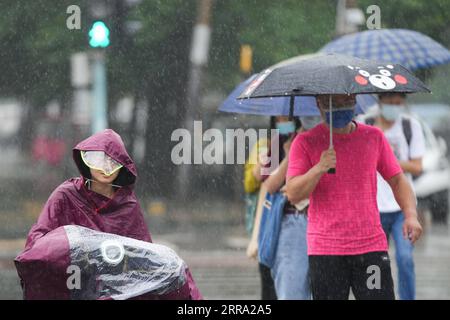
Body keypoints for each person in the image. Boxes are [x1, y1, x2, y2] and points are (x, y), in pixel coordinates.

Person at [22, 129, 202, 300]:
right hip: (73, 283)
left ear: (121, 166)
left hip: (115, 290)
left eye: (112, 162)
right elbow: (39, 241)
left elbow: (142, 256)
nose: (105, 168)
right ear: (86, 161)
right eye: (98, 160)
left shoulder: (127, 204)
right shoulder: (66, 195)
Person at [286, 94, 423, 300]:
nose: (341, 108)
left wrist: (410, 215)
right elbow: (293, 193)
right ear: (319, 104)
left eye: (346, 102)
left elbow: (397, 180)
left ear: (355, 101)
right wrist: (319, 168)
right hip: (326, 251)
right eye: (333, 103)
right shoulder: (304, 142)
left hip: (371, 250)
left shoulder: (373, 137)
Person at [366, 92, 425, 300]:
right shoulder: (366, 125)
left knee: (404, 258)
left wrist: (386, 158)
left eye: (398, 103)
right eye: (390, 103)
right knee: (374, 261)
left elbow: (417, 166)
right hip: (373, 206)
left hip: (401, 206)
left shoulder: (410, 126)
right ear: (380, 102)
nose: (394, 107)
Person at [264, 115, 322, 300]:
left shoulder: (327, 137)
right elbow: (269, 185)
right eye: (279, 118)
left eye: (287, 117)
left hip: (324, 221)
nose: (283, 121)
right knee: (292, 290)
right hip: (293, 220)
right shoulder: (278, 142)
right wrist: (290, 155)